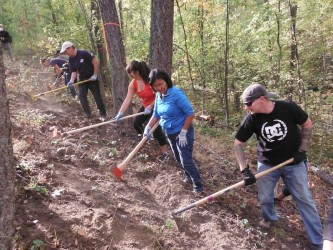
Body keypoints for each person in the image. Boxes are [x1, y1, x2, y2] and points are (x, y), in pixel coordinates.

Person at [234, 83, 323, 249]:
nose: (246, 108)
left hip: (294, 162)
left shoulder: (287, 108)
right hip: (267, 164)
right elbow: (238, 143)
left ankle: (318, 242)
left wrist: (302, 151)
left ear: (261, 99)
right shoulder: (252, 118)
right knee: (265, 197)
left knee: (304, 200)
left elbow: (307, 124)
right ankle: (269, 218)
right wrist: (244, 170)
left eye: (248, 104)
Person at [144, 69, 203, 194]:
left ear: (166, 81)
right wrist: (147, 127)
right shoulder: (158, 96)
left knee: (186, 160)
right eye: (155, 85)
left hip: (183, 132)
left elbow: (190, 113)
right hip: (169, 133)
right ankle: (187, 175)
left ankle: (197, 184)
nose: (159, 87)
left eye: (161, 84)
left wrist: (183, 132)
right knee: (177, 157)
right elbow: (156, 114)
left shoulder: (176, 94)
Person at [114, 60, 169, 159]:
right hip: (145, 107)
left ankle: (164, 152)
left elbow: (159, 94)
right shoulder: (133, 84)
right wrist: (120, 113)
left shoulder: (150, 79)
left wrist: (151, 106)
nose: (130, 74)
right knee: (136, 124)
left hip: (157, 105)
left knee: (156, 131)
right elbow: (128, 98)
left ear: (137, 71)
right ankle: (147, 138)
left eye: (130, 72)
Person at [60, 41, 107, 121]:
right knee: (81, 96)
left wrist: (95, 74)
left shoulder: (83, 53)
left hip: (92, 78)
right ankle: (87, 112)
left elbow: (95, 61)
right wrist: (71, 81)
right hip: (82, 79)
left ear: (70, 48)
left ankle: (103, 114)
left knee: (97, 97)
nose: (65, 53)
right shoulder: (71, 59)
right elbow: (74, 71)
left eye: (66, 51)